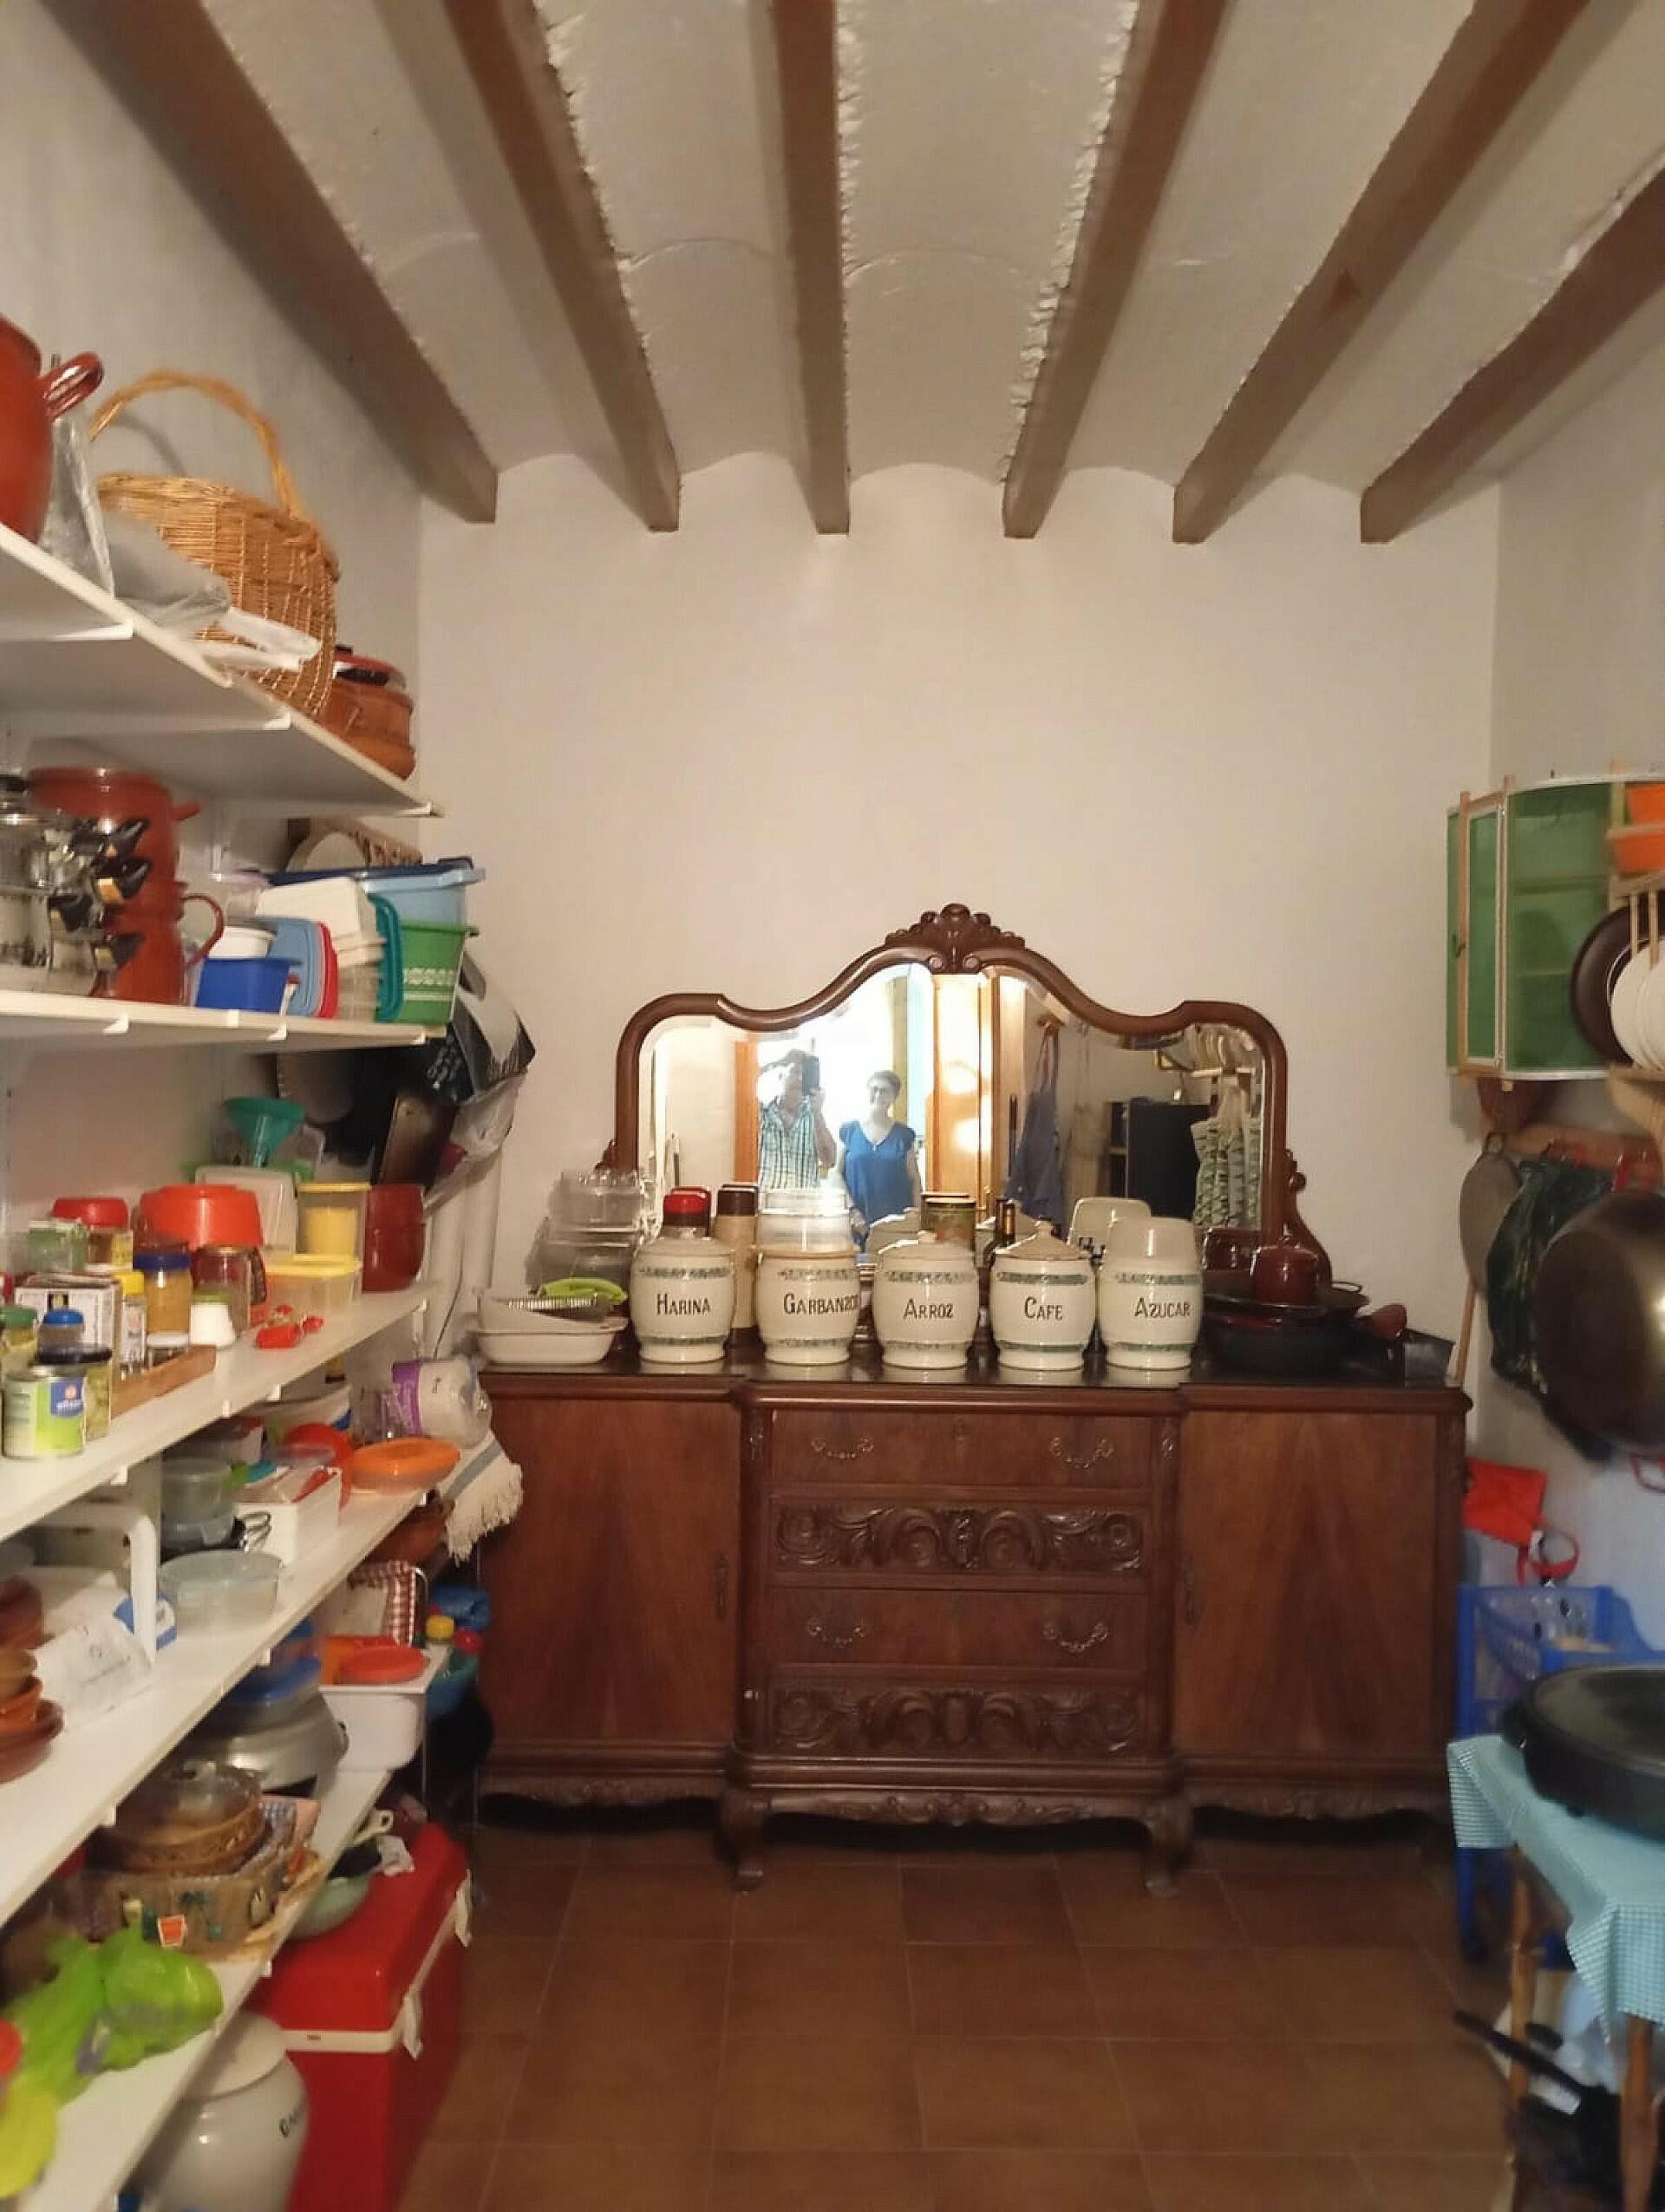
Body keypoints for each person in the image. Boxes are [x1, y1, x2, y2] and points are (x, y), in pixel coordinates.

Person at [836, 1070, 923, 1240]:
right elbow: (836, 1174)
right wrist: (852, 1211)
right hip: (857, 1225)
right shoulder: (850, 1131)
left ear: (894, 1097)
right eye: (874, 1089)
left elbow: (914, 1179)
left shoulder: (903, 1136)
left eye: (884, 1091)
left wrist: (917, 1218)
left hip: (896, 1226)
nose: (877, 1095)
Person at [758, 1048, 837, 1189]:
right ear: (781, 1077)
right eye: (795, 1072)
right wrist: (779, 1062)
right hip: (764, 1200)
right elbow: (743, 1078)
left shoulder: (815, 1118)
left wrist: (817, 1114)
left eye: (805, 1075)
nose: (800, 1079)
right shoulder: (761, 1114)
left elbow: (829, 1161)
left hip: (804, 1202)